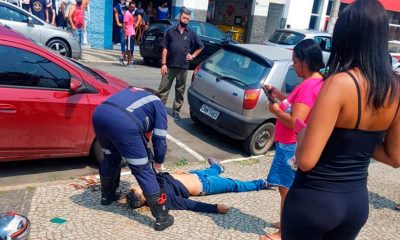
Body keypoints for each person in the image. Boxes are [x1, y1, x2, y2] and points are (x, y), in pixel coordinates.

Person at [281, 0, 400, 239]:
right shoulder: (395, 89)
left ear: (345, 35)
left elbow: (305, 160)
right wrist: (356, 142)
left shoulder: (339, 83)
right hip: (356, 202)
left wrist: (304, 130)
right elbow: (394, 157)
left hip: (315, 200)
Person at [260, 39, 325, 240]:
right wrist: (280, 95)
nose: (293, 66)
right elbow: (297, 106)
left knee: (285, 189)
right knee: (289, 188)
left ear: (305, 61)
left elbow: (295, 121)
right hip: (293, 144)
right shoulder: (316, 82)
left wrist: (276, 110)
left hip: (290, 145)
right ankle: (287, 223)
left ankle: (284, 232)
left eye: (295, 61)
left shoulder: (307, 87)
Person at [92, 87, 174, 231]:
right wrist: (158, 162)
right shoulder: (158, 103)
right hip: (123, 122)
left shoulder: (132, 91)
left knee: (110, 157)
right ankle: (162, 217)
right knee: (142, 169)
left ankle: (107, 196)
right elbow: (159, 137)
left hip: (99, 115)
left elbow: (144, 132)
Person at [126, 157, 269, 214]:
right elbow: (188, 204)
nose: (138, 184)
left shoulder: (149, 183)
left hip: (193, 174)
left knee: (210, 171)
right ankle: (262, 183)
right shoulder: (162, 198)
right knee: (235, 185)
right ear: (139, 192)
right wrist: (215, 208)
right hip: (206, 185)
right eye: (137, 187)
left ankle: (217, 168)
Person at [158, 7, 204, 121]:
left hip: (183, 67)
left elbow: (201, 46)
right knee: (163, 89)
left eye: (187, 19)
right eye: (184, 18)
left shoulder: (191, 33)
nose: (185, 20)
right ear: (180, 17)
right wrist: (163, 64)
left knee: (180, 91)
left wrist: (192, 56)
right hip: (169, 66)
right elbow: (165, 48)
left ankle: (176, 110)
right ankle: (158, 108)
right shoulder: (170, 31)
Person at [121, 1, 137, 67]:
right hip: (129, 33)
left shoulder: (130, 14)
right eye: (131, 7)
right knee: (129, 49)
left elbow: (130, 23)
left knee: (129, 48)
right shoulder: (127, 13)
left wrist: (133, 24)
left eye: (133, 7)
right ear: (129, 6)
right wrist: (125, 34)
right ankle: (128, 62)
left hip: (132, 32)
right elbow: (124, 24)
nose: (132, 8)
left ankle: (123, 58)